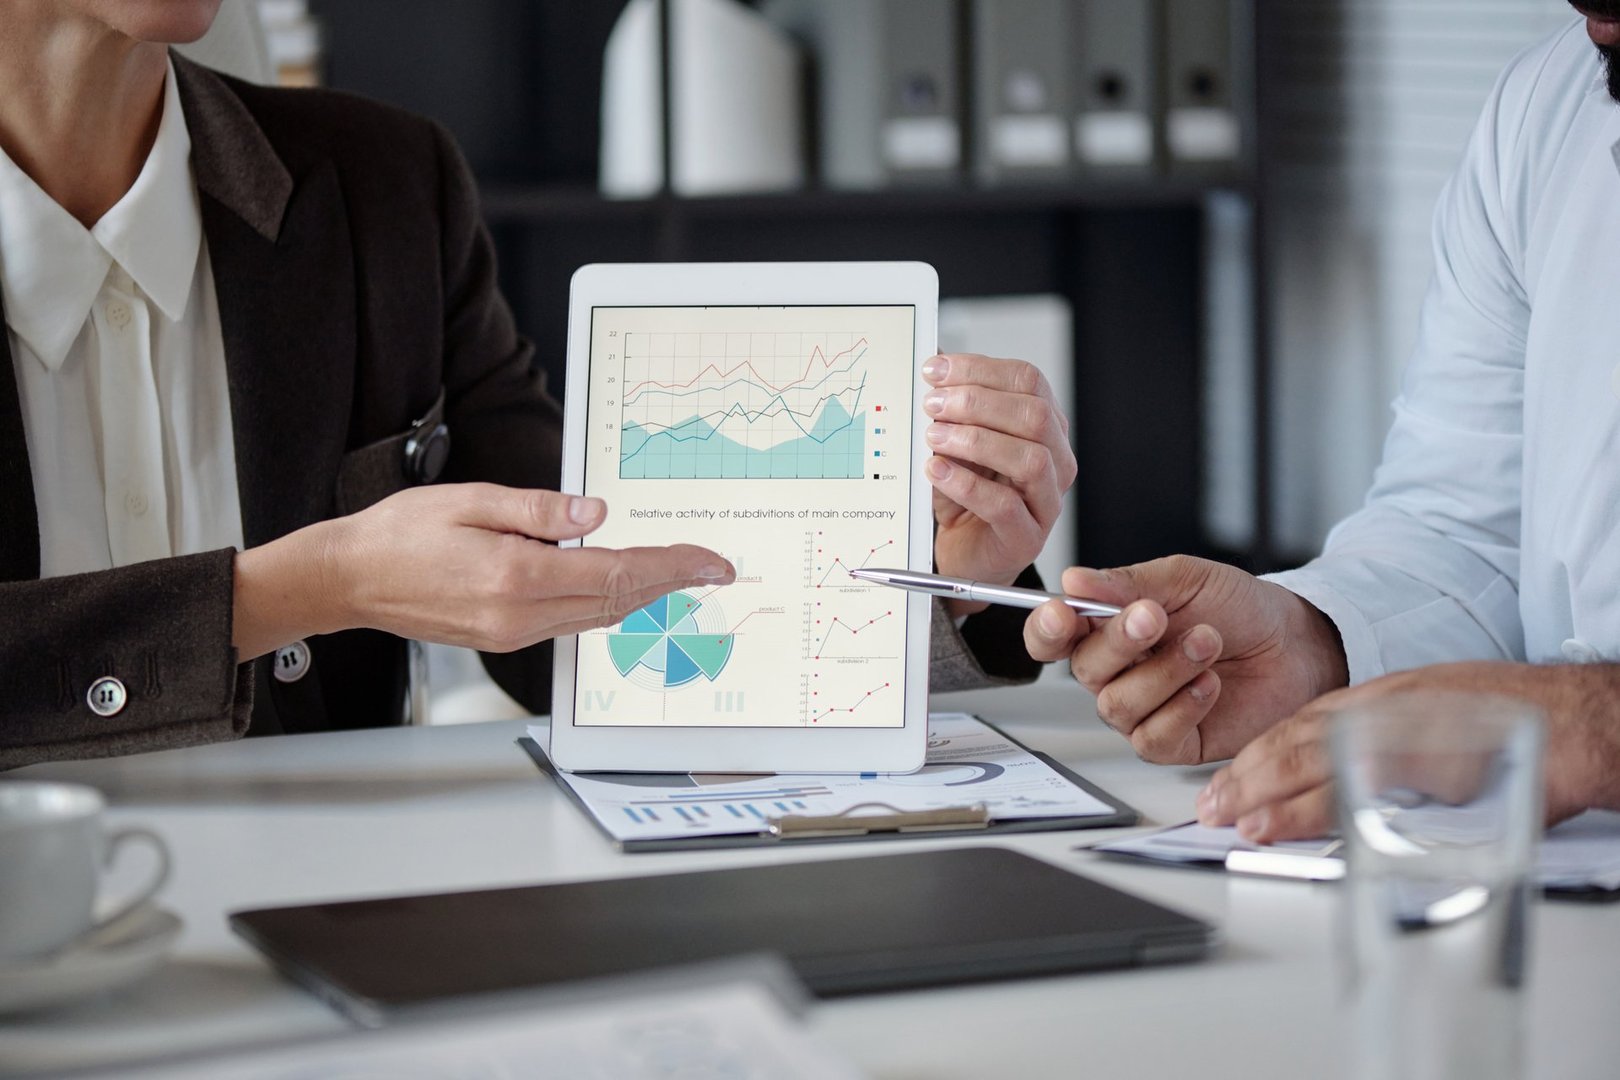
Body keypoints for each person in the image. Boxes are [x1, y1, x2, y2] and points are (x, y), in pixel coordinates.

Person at [0, 0, 1075, 768]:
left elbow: (582, 613)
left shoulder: (385, 187)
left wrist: (935, 581)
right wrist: (309, 587)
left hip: (327, 918)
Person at [1022, 7, 1620, 843]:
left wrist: (1592, 728)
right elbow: (1467, 530)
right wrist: (1314, 645)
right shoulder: (1550, 105)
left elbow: (1577, 718)